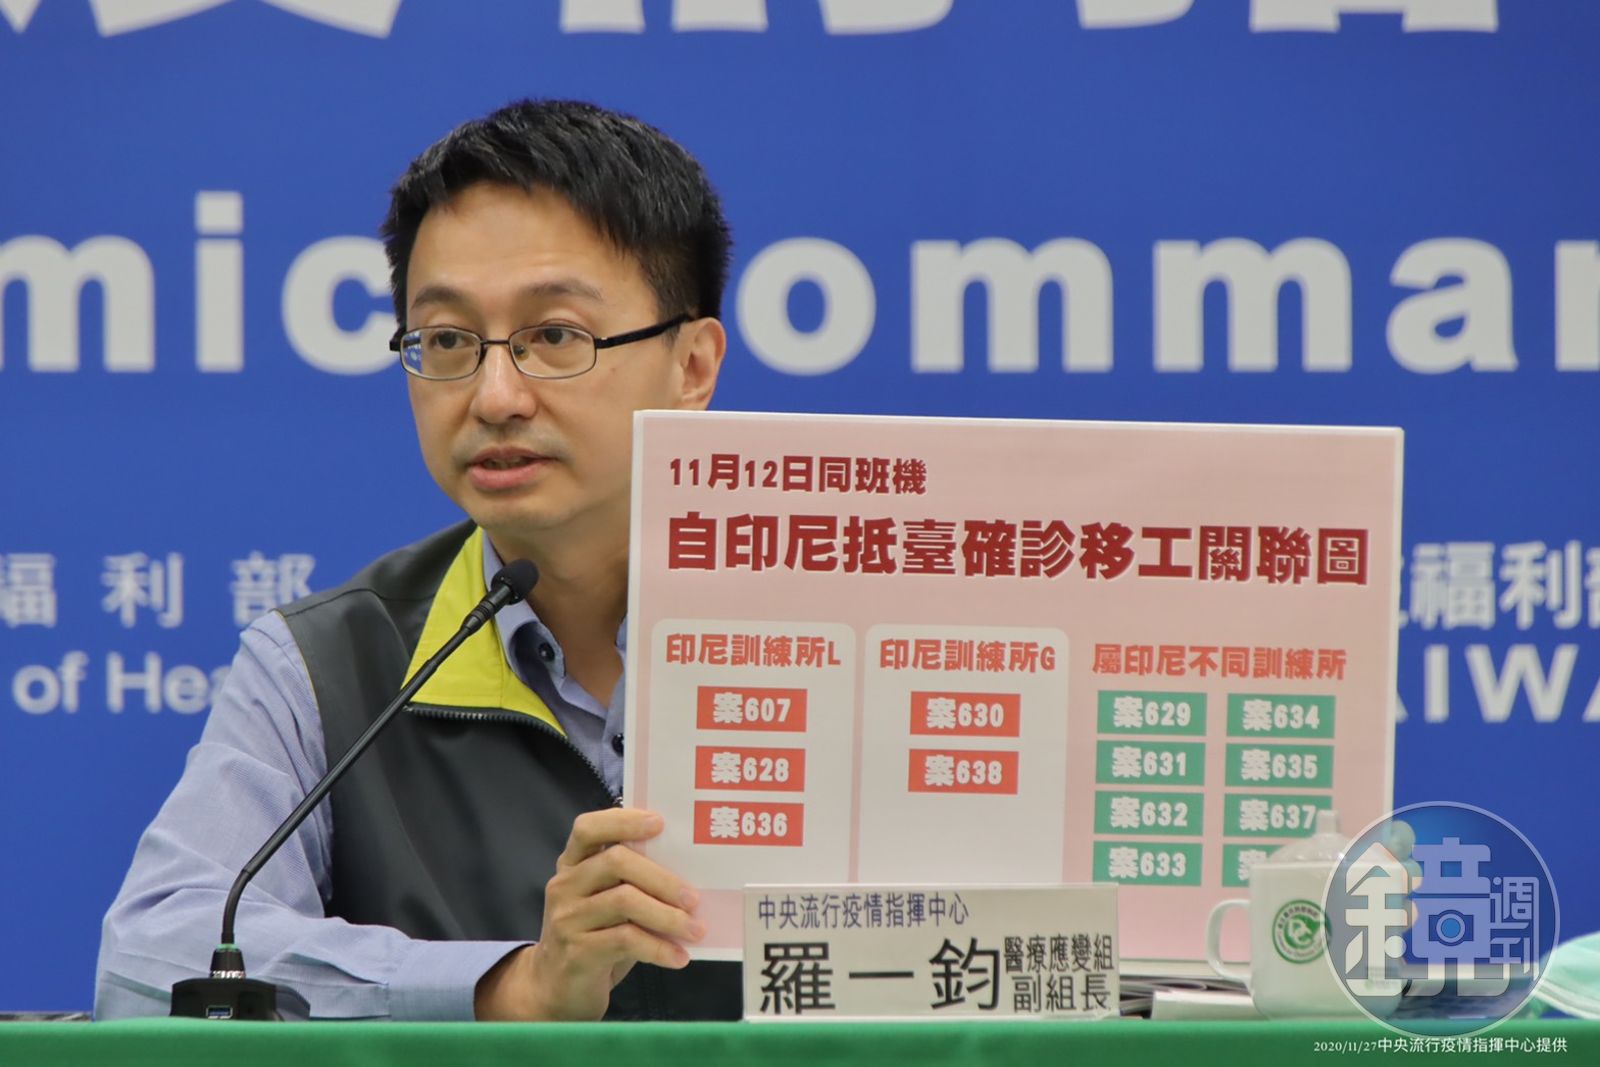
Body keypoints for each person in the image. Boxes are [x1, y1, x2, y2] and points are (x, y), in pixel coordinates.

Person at [95, 99, 740, 1021]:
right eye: (446, 341)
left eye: (555, 336)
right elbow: (148, 959)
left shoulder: (844, 623)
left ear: (693, 367)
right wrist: (507, 987)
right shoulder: (328, 664)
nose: (496, 394)